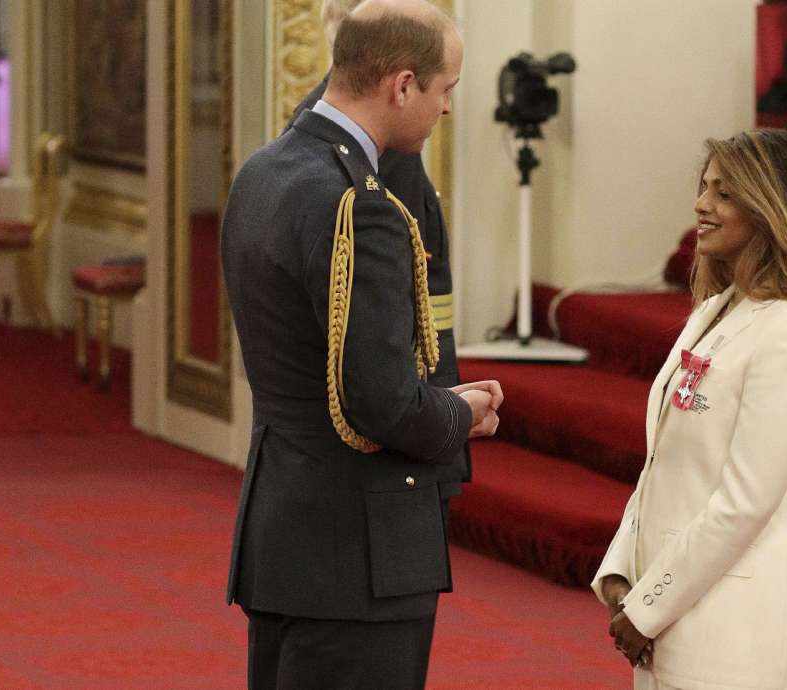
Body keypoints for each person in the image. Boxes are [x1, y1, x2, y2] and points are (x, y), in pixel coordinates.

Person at [220, 1, 502, 688]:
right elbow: (381, 403)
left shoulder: (264, 170)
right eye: (445, 91)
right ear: (402, 85)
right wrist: (464, 413)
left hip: (286, 530)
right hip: (358, 553)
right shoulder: (361, 205)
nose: (445, 111)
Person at [592, 129, 787, 689]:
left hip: (732, 618)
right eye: (704, 187)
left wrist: (648, 607)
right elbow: (662, 466)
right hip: (667, 603)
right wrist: (622, 575)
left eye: (724, 193)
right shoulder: (716, 308)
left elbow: (746, 501)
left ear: (771, 209)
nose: (701, 204)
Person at [283, 0, 472, 514]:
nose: (446, 106)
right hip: (400, 409)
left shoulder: (303, 139)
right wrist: (447, 412)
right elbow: (398, 297)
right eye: (444, 89)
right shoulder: (379, 147)